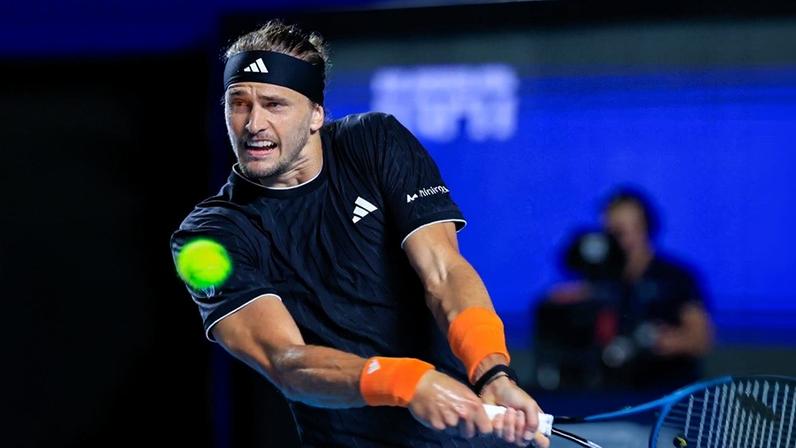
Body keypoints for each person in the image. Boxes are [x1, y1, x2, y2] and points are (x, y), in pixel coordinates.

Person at [170, 20, 549, 448]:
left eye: (274, 104)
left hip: (471, 431)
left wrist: (494, 373)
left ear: (316, 115)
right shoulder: (208, 237)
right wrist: (406, 381)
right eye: (239, 104)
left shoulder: (375, 141)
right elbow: (287, 363)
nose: (253, 123)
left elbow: (444, 271)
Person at [545, 187, 713, 390]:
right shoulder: (599, 282)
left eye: (624, 231)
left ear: (646, 228)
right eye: (611, 232)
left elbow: (700, 339)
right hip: (611, 393)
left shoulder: (675, 278)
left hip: (665, 391)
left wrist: (657, 341)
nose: (619, 240)